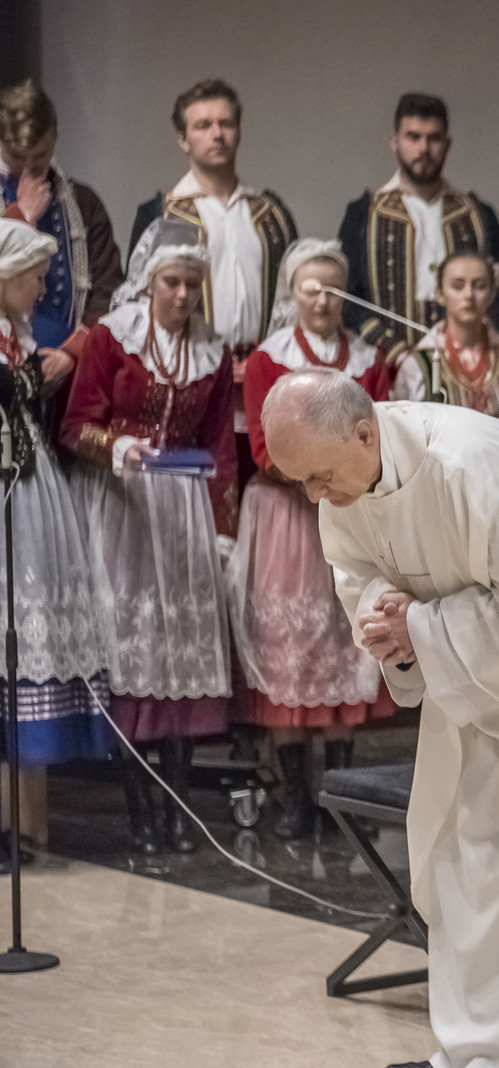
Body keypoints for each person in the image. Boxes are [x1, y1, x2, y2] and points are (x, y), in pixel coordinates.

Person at [261, 371, 499, 1068]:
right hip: (464, 702)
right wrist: (387, 621)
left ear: (364, 434)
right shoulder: (344, 480)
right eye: (300, 482)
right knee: (458, 866)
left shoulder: (472, 466)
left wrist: (422, 628)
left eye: (319, 478)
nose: (313, 497)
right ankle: (480, 1044)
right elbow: (354, 571)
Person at [61, 220, 236, 855]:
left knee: (179, 651)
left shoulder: (212, 353)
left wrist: (224, 529)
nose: (184, 295)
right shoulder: (112, 338)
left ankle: (178, 811)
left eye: (192, 283)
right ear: (149, 281)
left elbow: (220, 445)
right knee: (132, 652)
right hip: (122, 502)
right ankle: (139, 811)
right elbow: (75, 427)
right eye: (172, 283)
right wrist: (118, 447)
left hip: (183, 506)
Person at [226, 239, 396, 838]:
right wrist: (322, 473)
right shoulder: (269, 359)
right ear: (292, 293)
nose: (322, 301)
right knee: (291, 645)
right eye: (310, 289)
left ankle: (343, 800)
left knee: (344, 640)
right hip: (289, 517)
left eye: (333, 290)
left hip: (349, 510)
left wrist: (343, 479)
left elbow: (378, 432)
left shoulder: (369, 360)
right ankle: (296, 798)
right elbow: (263, 448)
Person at [0, 219, 111, 871]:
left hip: (28, 487)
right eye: (35, 277)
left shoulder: (16, 337)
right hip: (8, 490)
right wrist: (36, 372)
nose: (43, 289)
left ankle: (25, 821)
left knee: (28, 625)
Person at [128, 79, 296, 360]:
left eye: (226, 124)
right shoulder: (159, 214)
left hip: (262, 366)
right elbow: (137, 303)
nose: (217, 134)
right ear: (183, 139)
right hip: (187, 367)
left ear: (238, 132)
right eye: (203, 126)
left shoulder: (273, 215)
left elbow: (293, 300)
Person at [337, 93, 499, 353]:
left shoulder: (478, 214)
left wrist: (470, 345)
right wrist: (393, 351)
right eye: (413, 137)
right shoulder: (364, 214)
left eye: (434, 138)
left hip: (463, 361)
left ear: (447, 144)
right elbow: (347, 299)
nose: (423, 149)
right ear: (394, 142)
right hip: (385, 361)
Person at [0, 80, 124, 378]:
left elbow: (108, 287)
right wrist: (23, 219)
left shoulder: (84, 202)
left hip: (73, 369)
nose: (28, 169)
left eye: (39, 157)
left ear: (55, 139)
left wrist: (73, 353)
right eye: (17, 157)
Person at [388, 250, 499, 431]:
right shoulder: (419, 364)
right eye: (457, 286)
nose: (469, 294)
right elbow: (406, 434)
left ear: (492, 293)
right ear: (440, 293)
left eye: (480, 286)